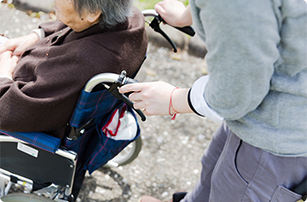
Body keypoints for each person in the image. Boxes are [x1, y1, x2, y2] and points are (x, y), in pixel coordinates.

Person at [119, 0, 307, 201]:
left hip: (274, 135)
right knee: (213, 168)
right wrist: (188, 16)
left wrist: (174, 100)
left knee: (234, 188)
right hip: (263, 109)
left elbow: (234, 93)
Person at [0, 0, 148, 140]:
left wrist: (4, 73)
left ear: (92, 12)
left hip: (15, 97)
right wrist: (37, 35)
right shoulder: (133, 21)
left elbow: (6, 112)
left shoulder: (85, 62)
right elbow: (76, 20)